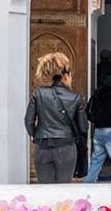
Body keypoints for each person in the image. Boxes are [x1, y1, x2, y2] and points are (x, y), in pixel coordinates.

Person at [25, 52, 88, 183]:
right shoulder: (75, 98)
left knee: (45, 188)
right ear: (66, 75)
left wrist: (35, 135)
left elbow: (28, 120)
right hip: (66, 146)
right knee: (63, 188)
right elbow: (83, 127)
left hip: (42, 145)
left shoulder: (38, 93)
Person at [84, 74, 111, 183]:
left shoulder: (96, 95)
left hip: (98, 130)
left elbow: (88, 111)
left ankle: (89, 182)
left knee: (97, 159)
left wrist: (94, 120)